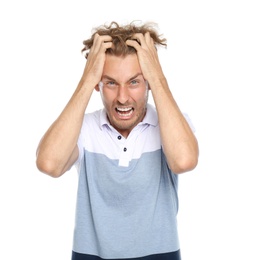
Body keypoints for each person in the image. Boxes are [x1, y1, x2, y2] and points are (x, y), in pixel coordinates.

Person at [36, 21, 199, 260]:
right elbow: (49, 163)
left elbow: (184, 161)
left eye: (134, 81)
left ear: (148, 83)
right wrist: (85, 81)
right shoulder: (84, 128)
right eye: (111, 82)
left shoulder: (171, 124)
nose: (122, 98)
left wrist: (158, 78)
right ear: (98, 84)